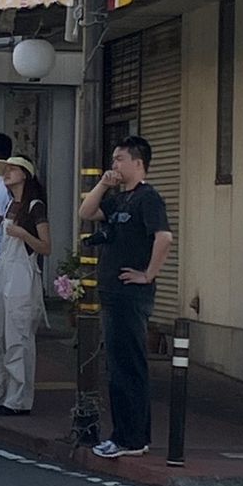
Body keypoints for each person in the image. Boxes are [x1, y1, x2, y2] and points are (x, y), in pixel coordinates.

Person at [79, 136, 173, 459]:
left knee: (128, 367)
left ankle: (131, 438)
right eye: (114, 159)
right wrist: (104, 185)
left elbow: (164, 237)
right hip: (113, 292)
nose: (115, 164)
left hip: (131, 295)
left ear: (138, 162)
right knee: (117, 367)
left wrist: (148, 274)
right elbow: (86, 211)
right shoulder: (119, 200)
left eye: (120, 159)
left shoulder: (149, 198)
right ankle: (124, 435)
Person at [0, 156, 50, 415]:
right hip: (3, 268)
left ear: (25, 174)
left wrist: (24, 234)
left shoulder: (35, 206)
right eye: (5, 170)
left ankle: (17, 399)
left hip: (22, 271)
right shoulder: (10, 205)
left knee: (18, 336)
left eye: (13, 169)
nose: (7, 173)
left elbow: (46, 246)